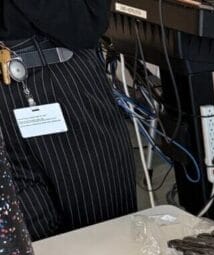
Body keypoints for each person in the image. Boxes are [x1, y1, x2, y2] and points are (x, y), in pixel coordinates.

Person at [0, 1, 136, 240]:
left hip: (59, 77)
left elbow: (82, 24)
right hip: (24, 93)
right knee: (27, 247)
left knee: (104, 232)